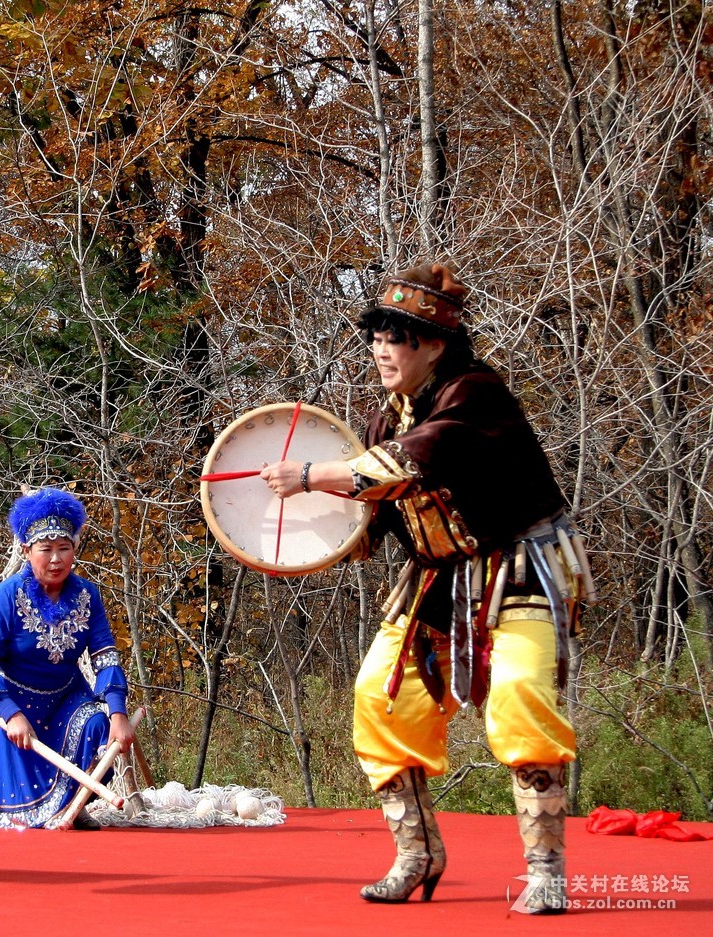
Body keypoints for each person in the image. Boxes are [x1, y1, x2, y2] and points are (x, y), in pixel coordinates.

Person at [261, 263, 585, 914]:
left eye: (397, 336)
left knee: (522, 691)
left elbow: (409, 461)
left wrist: (309, 473)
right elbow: (371, 519)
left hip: (520, 562)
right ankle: (418, 852)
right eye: (376, 334)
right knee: (381, 697)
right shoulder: (383, 419)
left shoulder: (476, 393)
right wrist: (289, 542)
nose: (382, 347)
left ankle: (546, 869)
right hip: (437, 578)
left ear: (434, 344)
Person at [0, 487, 134, 829]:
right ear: (26, 551)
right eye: (46, 550)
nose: (56, 559)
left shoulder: (87, 594)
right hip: (8, 699)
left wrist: (118, 712)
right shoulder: (6, 597)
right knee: (11, 819)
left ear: (74, 550)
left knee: (98, 725)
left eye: (64, 549)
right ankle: (48, 807)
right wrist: (11, 714)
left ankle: (73, 803)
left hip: (65, 696)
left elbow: (105, 655)